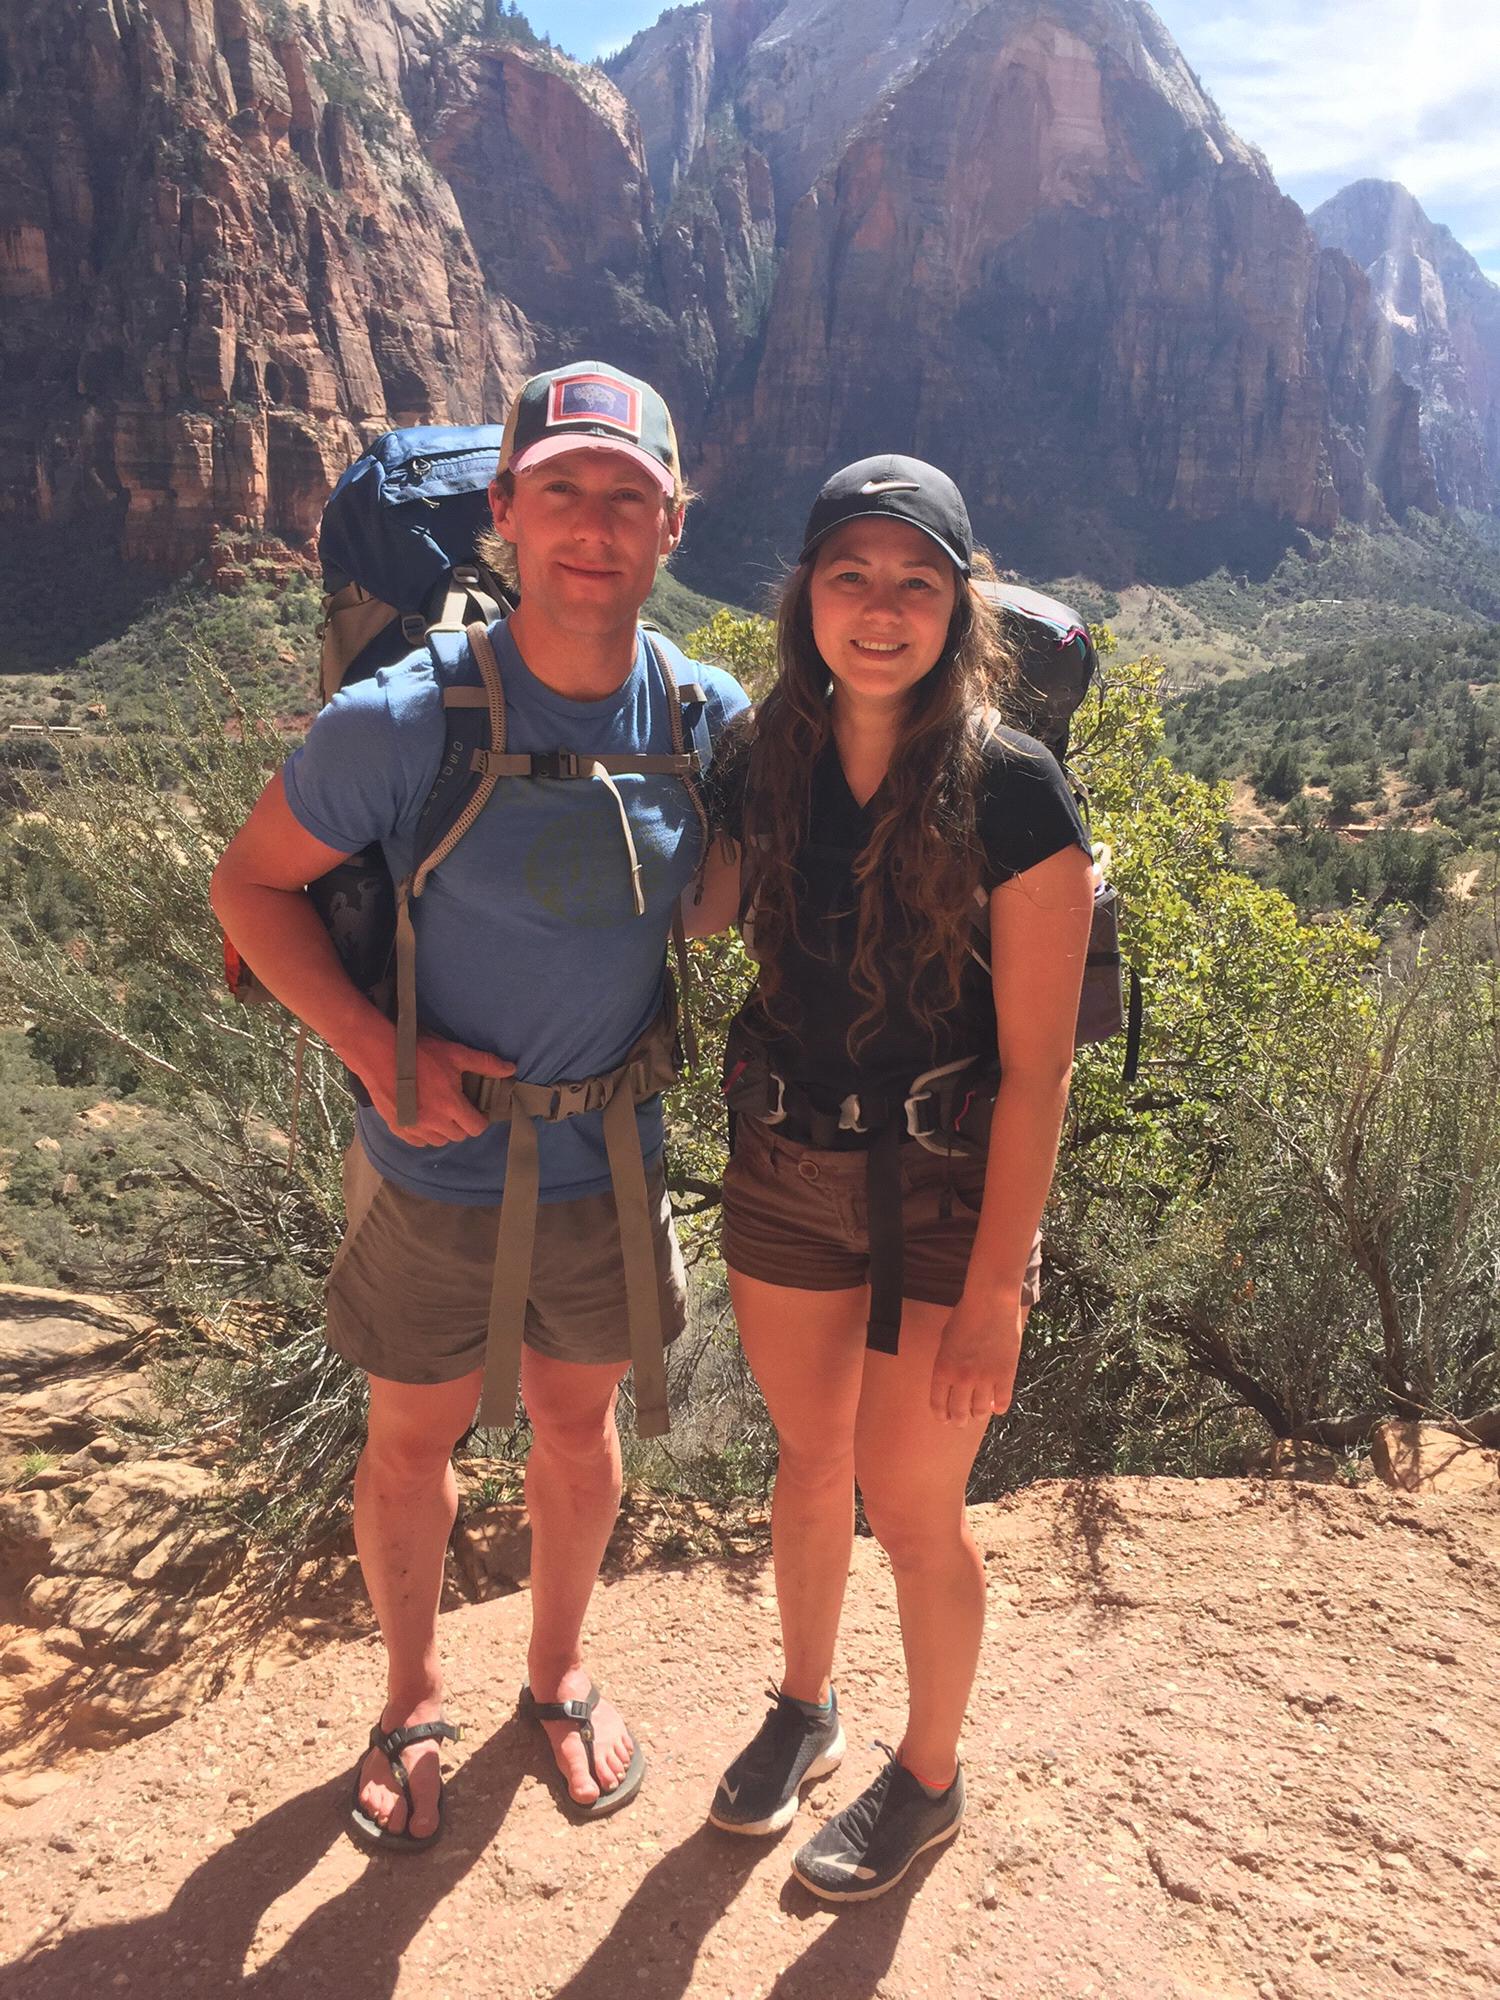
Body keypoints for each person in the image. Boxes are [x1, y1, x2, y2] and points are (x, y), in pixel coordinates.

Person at [211, 362, 748, 1849]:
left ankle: (559, 1673)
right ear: (505, 510)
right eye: (561, 490)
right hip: (429, 1166)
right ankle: (409, 1698)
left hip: (611, 1164)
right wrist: (382, 1050)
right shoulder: (400, 722)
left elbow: (716, 900)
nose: (594, 524)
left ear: (672, 526)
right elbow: (248, 887)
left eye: (626, 497)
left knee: (576, 1430)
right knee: (414, 1437)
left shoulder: (708, 716)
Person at [690, 455, 1095, 1900]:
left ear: (958, 606)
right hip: (785, 1168)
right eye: (850, 577)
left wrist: (998, 1287)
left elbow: (1041, 1071)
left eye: (915, 582)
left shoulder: (1013, 789)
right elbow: (704, 921)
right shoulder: (759, 754)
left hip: (944, 1194)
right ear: (805, 597)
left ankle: (929, 1775)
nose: (879, 609)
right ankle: (805, 1707)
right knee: (807, 1463)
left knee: (915, 1508)